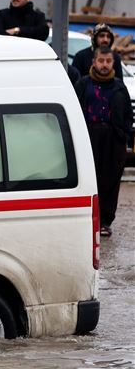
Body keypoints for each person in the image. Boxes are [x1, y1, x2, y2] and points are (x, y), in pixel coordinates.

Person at [74, 46, 133, 238]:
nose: (105, 65)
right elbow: (75, 109)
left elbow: (127, 116)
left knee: (110, 181)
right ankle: (88, 219)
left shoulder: (119, 87)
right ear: (94, 62)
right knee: (90, 179)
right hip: (89, 136)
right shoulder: (83, 84)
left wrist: (123, 135)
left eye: (108, 61)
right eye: (101, 61)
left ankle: (106, 221)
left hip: (112, 140)